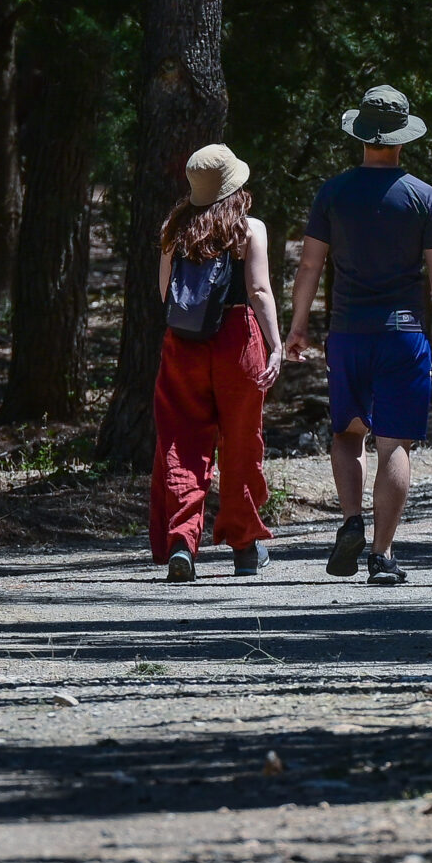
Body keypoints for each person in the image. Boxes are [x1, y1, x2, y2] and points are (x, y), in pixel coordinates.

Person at [282, 85, 432, 585]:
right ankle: (382, 556)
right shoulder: (422, 196)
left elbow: (310, 267)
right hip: (405, 335)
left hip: (347, 331)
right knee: (395, 445)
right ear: (402, 138)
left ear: (361, 134)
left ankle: (350, 522)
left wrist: (297, 327)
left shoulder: (333, 192)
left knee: (346, 433)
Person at [151, 144, 284, 582]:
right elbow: (260, 291)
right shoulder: (250, 229)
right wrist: (276, 343)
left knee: (182, 441)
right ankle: (245, 546)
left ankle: (181, 543)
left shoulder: (173, 227)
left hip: (183, 344)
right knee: (242, 441)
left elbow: (166, 293)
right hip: (237, 337)